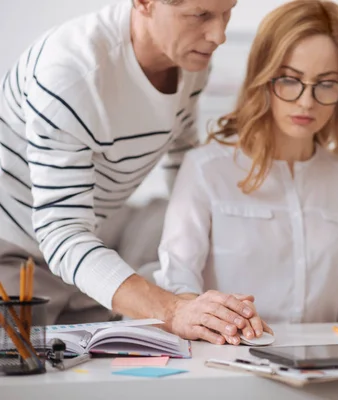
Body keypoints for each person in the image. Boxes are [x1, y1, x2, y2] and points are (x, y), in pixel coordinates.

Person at [155, 0, 338, 346]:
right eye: (290, 80)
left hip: (325, 369)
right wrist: (216, 315)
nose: (306, 102)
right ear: (263, 77)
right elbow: (176, 290)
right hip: (230, 362)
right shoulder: (207, 171)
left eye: (326, 83)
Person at [0, 0, 267, 344]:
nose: (219, 35)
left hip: (83, 254)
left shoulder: (191, 59)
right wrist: (172, 309)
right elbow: (62, 233)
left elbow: (182, 162)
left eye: (227, 12)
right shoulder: (70, 73)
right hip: (13, 254)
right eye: (200, 15)